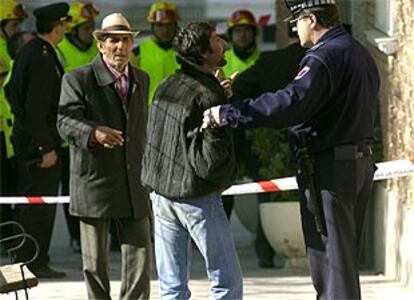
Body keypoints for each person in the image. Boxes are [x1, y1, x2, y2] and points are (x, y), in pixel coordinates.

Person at [202, 1, 380, 299]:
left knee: (332, 265)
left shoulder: (323, 57)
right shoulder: (356, 50)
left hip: (330, 170)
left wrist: (228, 113)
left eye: (296, 21)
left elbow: (290, 103)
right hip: (354, 163)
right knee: (340, 260)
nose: (293, 28)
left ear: (312, 20)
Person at [141, 22, 243, 299]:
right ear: (202, 53)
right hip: (196, 195)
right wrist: (219, 181)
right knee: (227, 283)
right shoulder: (208, 93)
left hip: (161, 193)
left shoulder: (167, 84)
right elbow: (214, 154)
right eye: (215, 39)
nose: (222, 43)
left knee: (172, 288)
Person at [57, 13, 151, 299]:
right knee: (95, 264)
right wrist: (93, 132)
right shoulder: (78, 78)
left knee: (141, 257)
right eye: (113, 40)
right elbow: (64, 121)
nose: (120, 46)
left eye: (125, 40)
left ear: (132, 42)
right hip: (94, 181)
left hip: (133, 181)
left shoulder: (142, 79)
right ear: (101, 45)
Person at [231, 32, 306, 269]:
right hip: (310, 139)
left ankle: (265, 249)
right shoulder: (325, 59)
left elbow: (240, 89)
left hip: (269, 143)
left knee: (269, 189)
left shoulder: (271, 61)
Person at [8, 2, 71, 279]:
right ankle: (31, 262)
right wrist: (46, 146)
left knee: (34, 202)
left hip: (29, 139)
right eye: (64, 25)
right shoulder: (42, 57)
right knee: (37, 206)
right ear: (57, 27)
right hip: (38, 145)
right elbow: (37, 107)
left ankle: (32, 259)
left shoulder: (33, 51)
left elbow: (11, 92)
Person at [57, 1, 99, 253]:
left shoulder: (96, 48)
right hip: (69, 132)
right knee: (71, 186)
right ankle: (75, 236)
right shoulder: (60, 51)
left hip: (95, 130)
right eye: (86, 27)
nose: (91, 31)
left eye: (92, 26)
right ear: (72, 29)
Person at [0, 0, 27, 244]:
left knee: (10, 187)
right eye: (14, 24)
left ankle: (8, 236)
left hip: (8, 129)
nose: (17, 29)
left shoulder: (10, 47)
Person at [131, 0, 180, 104]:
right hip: (148, 113)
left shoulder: (186, 52)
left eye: (169, 25)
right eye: (160, 25)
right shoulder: (137, 54)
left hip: (181, 112)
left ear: (176, 26)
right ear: (152, 27)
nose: (165, 30)